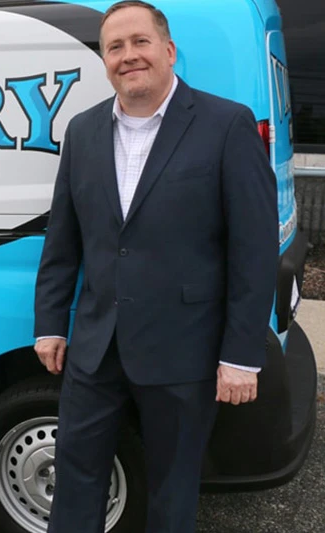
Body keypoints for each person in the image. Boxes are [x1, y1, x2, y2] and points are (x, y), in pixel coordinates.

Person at [32, 1, 279, 532]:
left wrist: (242, 354)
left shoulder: (225, 124)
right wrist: (52, 322)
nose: (128, 56)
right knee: (74, 477)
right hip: (96, 347)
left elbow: (253, 249)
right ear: (104, 61)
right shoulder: (82, 131)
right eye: (114, 47)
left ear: (168, 51)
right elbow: (64, 238)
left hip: (185, 349)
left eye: (139, 42)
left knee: (173, 489)